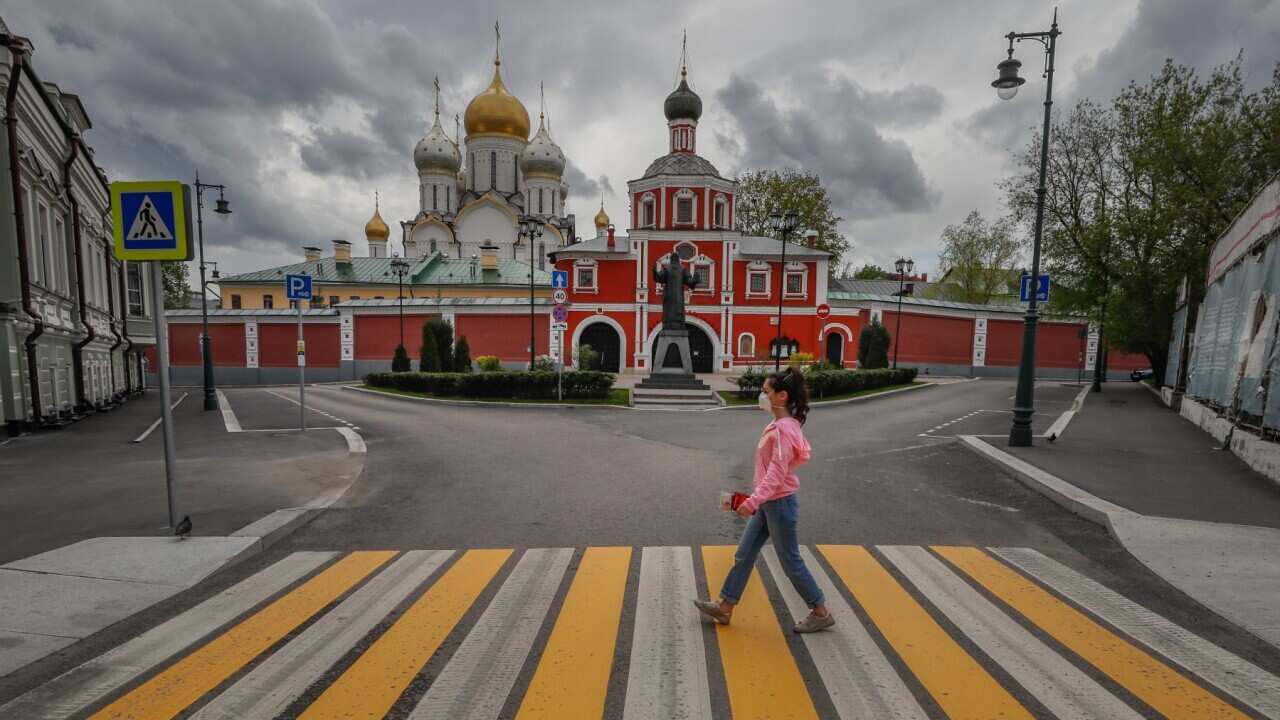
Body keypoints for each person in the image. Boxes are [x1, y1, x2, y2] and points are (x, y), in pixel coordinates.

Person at [694, 367, 833, 633]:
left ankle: (820, 611)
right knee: (744, 555)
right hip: (771, 503)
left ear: (781, 396)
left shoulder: (783, 429)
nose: (762, 395)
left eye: (766, 391)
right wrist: (759, 500)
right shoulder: (782, 424)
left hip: (779, 505)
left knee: (790, 561)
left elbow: (777, 473)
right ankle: (725, 607)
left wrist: (754, 500)